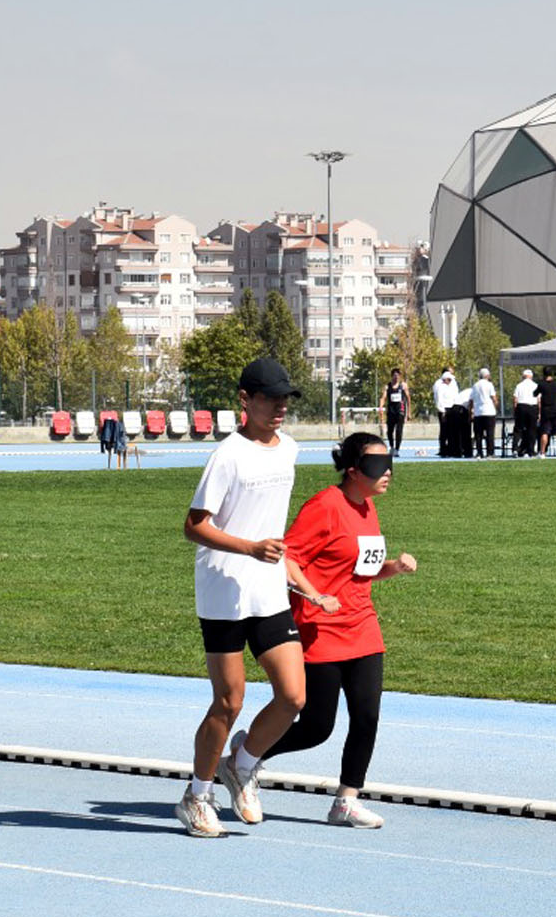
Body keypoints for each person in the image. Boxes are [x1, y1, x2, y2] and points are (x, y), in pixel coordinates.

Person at [176, 357, 329, 838]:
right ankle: (196, 796)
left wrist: (284, 567)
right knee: (229, 701)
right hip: (223, 591)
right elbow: (193, 525)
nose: (280, 406)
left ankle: (241, 764)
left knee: (293, 696)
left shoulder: (289, 449)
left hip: (267, 589)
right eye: (270, 397)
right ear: (245, 400)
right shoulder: (227, 456)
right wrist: (250, 548)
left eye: (285, 398)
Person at [262, 432, 417, 829]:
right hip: (321, 630)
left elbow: (358, 571)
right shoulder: (325, 506)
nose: (387, 474)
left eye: (389, 464)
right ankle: (249, 752)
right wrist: (314, 596)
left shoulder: (367, 508)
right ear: (352, 470)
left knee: (366, 717)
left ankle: (346, 801)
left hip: (362, 626)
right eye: (376, 465)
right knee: (317, 727)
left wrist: (392, 569)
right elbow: (286, 559)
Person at [536, 368, 556, 458]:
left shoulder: (541, 385)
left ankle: (542, 453)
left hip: (546, 411)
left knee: (544, 432)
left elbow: (535, 394)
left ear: (544, 374)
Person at [469, 367, 498, 458]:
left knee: (478, 435)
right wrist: (496, 405)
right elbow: (493, 398)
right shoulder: (489, 385)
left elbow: (471, 400)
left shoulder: (475, 385)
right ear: (487, 375)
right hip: (489, 411)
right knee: (490, 434)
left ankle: (479, 453)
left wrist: (471, 411)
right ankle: (490, 453)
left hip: (478, 412)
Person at [512, 368, 539, 457]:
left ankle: (515, 449)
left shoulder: (519, 385)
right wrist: (539, 412)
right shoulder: (535, 385)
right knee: (532, 429)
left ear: (523, 377)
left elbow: (515, 399)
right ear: (531, 377)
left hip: (521, 407)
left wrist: (515, 411)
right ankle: (530, 450)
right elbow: (539, 400)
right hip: (533, 407)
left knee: (518, 429)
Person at [432, 369, 459, 458]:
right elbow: (439, 400)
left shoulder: (452, 386)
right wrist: (442, 411)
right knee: (444, 431)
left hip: (452, 409)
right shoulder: (440, 386)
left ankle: (451, 449)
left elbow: (455, 396)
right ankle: (443, 449)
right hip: (444, 410)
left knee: (451, 430)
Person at [383, 369, 409, 454]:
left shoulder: (403, 386)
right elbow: (383, 397)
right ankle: (392, 446)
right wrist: (381, 406)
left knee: (399, 430)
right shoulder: (388, 386)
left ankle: (397, 449)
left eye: (398, 376)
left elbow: (408, 399)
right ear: (392, 376)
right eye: (394, 375)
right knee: (390, 431)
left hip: (400, 411)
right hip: (391, 412)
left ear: (400, 376)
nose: (396, 377)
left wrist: (408, 413)